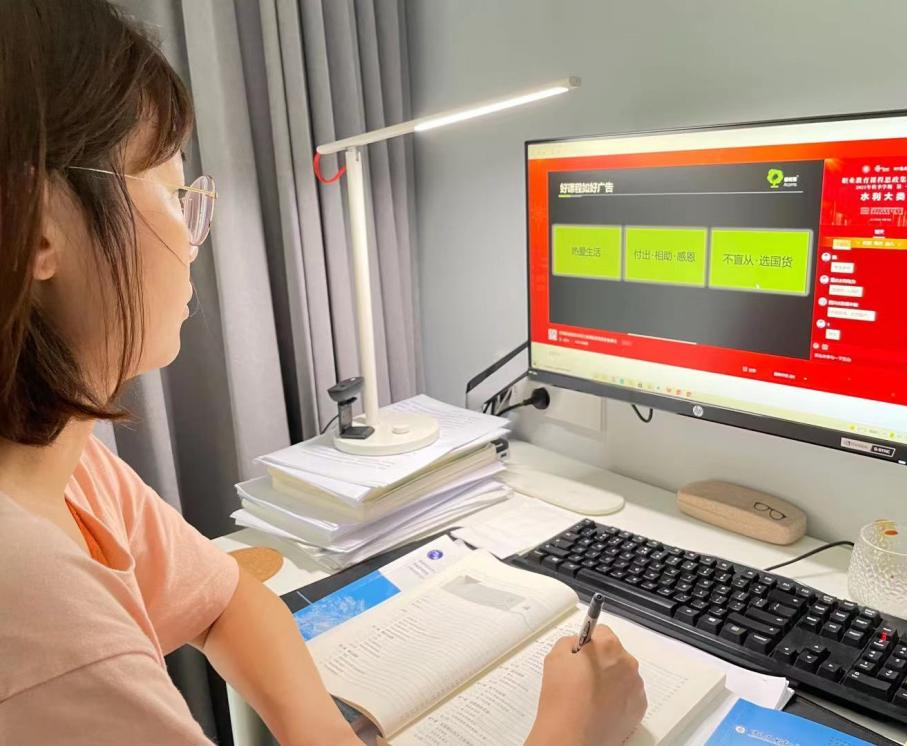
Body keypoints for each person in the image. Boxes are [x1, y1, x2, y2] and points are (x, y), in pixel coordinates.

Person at [0, 1, 647, 744]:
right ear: (36, 226)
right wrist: (573, 732)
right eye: (176, 193)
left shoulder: (65, 464)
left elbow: (224, 601)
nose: (194, 238)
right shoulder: (34, 608)